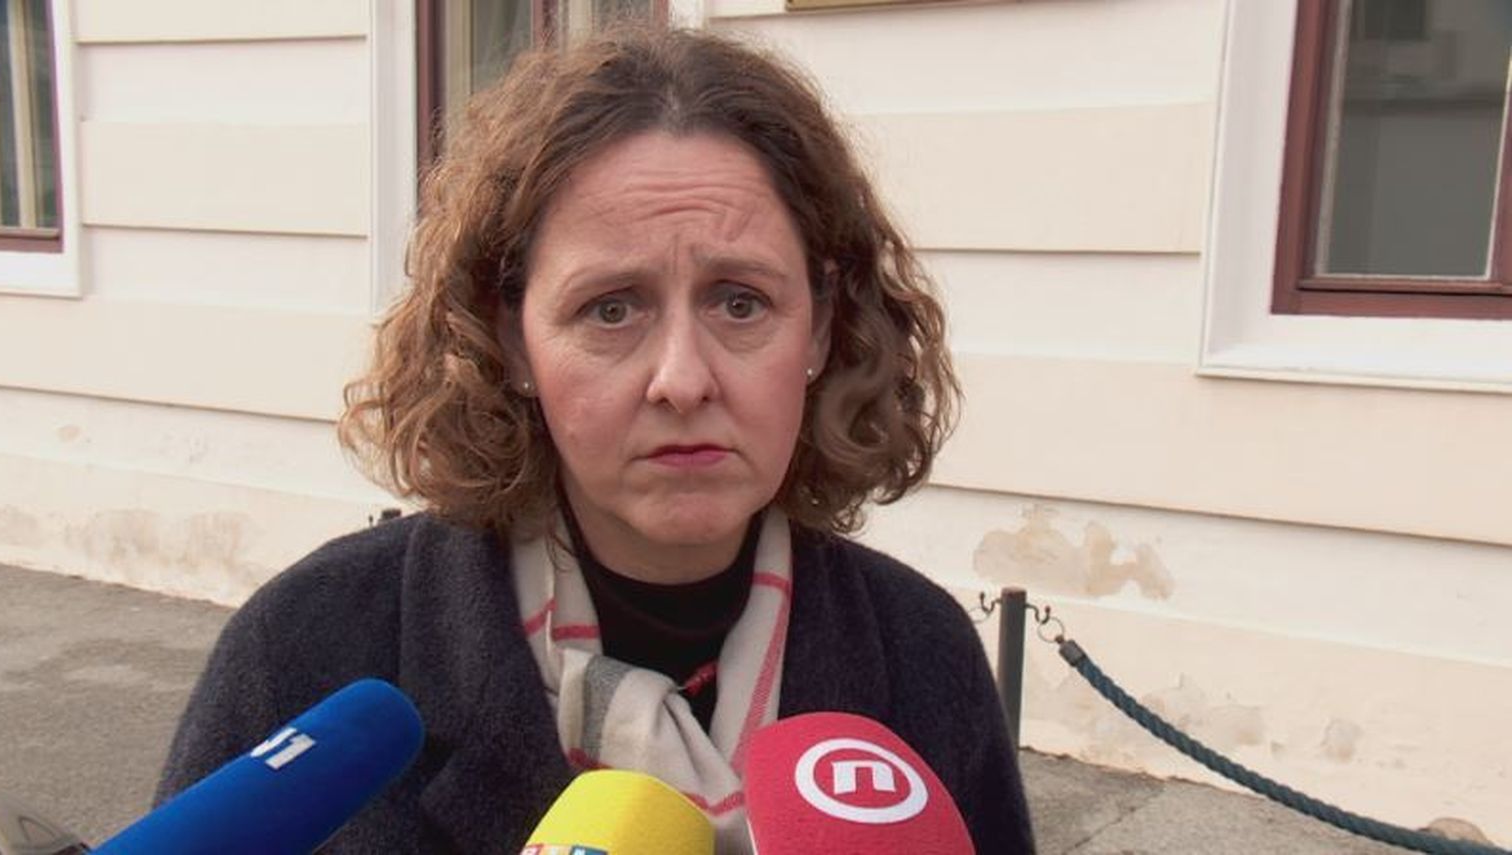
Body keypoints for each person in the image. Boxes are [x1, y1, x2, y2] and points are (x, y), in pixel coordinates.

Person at [155, 25, 1035, 854]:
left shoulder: (923, 656)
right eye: (611, 309)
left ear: (820, 327)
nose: (682, 378)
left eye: (741, 301)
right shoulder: (311, 650)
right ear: (511, 341)